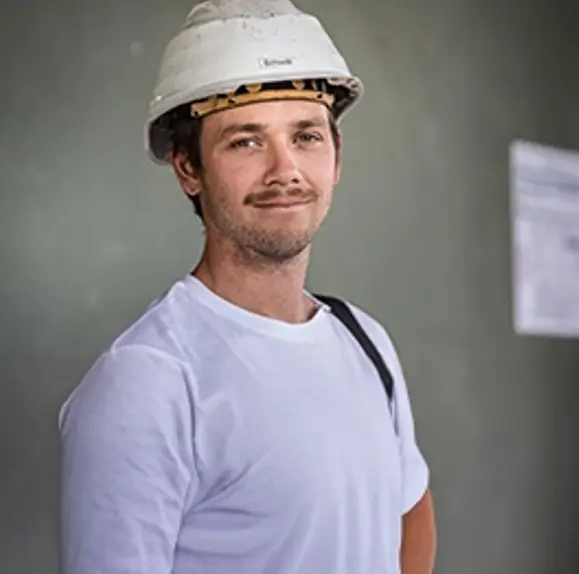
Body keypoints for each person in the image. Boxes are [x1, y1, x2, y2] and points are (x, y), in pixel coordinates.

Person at [58, 1, 437, 573]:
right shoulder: (148, 379)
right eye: (246, 141)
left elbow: (410, 513)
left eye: (306, 136)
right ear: (188, 168)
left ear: (336, 158)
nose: (285, 170)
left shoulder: (364, 341)